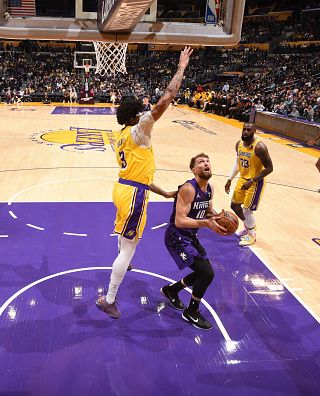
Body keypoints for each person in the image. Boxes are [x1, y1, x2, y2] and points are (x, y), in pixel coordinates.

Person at [96, 47, 194, 319]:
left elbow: (137, 174)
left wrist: (162, 192)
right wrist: (181, 68)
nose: (144, 112)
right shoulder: (139, 130)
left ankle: (122, 263)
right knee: (129, 247)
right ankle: (110, 299)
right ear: (132, 118)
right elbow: (166, 99)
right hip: (133, 196)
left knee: (124, 238)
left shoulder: (123, 134)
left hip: (124, 189)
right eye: (140, 111)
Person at [161, 153, 225, 330]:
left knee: (203, 273)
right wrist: (206, 223)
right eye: (200, 162)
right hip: (177, 237)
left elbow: (207, 211)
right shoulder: (188, 189)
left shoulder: (210, 188)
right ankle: (191, 311)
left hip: (190, 237)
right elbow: (179, 221)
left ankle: (172, 290)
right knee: (207, 273)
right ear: (194, 169)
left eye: (207, 161)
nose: (206, 163)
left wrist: (219, 217)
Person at [224, 123, 273, 246]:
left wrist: (252, 181)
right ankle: (249, 226)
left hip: (255, 182)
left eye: (249, 130)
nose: (245, 132)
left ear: (254, 131)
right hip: (243, 178)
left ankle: (252, 235)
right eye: (244, 129)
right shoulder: (239, 144)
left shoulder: (259, 147)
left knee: (247, 209)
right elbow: (237, 162)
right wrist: (230, 179)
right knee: (234, 205)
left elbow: (269, 168)